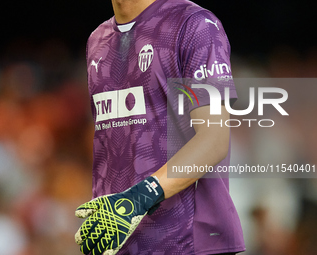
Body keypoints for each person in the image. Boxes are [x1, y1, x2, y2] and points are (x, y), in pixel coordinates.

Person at [74, 0, 245, 254]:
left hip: (188, 243)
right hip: (119, 242)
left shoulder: (193, 24)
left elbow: (214, 140)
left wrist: (138, 199)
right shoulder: (97, 41)